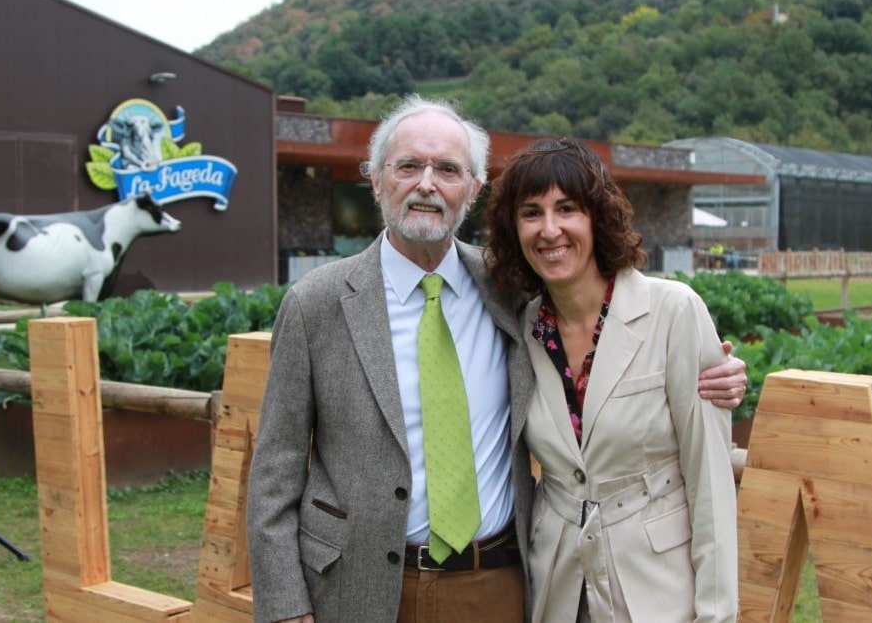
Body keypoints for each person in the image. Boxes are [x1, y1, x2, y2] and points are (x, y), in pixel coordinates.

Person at [247, 96, 747, 623]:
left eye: (447, 169)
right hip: (357, 590)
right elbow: (275, 472)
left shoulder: (508, 293)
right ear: (375, 179)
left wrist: (721, 377)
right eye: (409, 166)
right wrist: (283, 607)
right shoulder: (315, 303)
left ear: (473, 188)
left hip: (495, 584)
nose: (426, 184)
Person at [484, 137, 738, 623]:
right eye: (531, 213)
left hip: (658, 588)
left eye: (567, 208)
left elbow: (710, 482)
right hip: (558, 585)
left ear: (597, 217)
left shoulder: (673, 311)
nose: (550, 229)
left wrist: (717, 613)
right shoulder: (521, 329)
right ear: (512, 228)